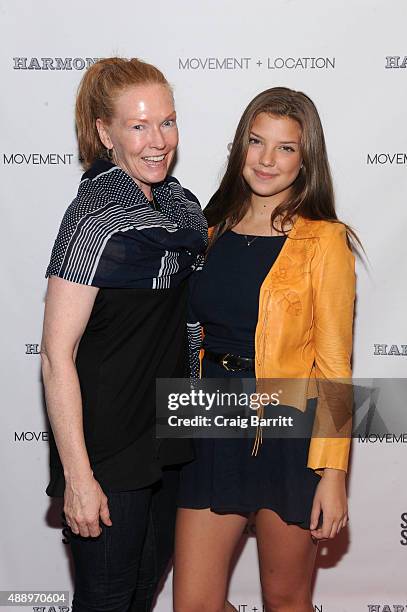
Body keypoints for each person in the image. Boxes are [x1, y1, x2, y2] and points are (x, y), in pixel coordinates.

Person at [174, 87, 357, 612]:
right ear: (241, 146)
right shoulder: (207, 230)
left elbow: (336, 367)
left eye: (285, 148)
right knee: (194, 604)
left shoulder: (324, 241)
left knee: (284, 599)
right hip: (209, 420)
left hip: (290, 427)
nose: (267, 159)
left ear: (306, 160)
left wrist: (334, 475)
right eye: (257, 142)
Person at [40, 57, 207, 612]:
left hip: (167, 438)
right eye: (138, 126)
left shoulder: (182, 208)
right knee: (106, 603)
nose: (157, 141)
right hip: (107, 449)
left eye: (167, 121)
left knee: (140, 598)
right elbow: (55, 356)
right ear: (104, 133)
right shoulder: (96, 220)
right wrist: (78, 477)